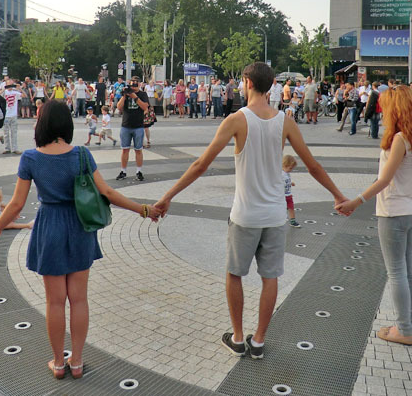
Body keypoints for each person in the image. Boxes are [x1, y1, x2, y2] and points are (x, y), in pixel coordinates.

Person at [154, 62, 346, 359]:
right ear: (270, 86)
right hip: (275, 216)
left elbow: (201, 165)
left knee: (234, 274)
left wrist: (167, 196)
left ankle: (238, 337)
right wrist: (338, 195)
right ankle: (258, 341)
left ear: (248, 83)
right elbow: (313, 165)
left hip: (244, 216)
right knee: (270, 278)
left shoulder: (236, 120)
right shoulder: (285, 121)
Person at [0, 100, 160, 379]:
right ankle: (78, 362)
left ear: (42, 124)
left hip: (49, 227)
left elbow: (16, 204)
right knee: (79, 300)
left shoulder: (31, 158)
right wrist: (143, 210)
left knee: (55, 302)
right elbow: (107, 193)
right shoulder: (81, 155)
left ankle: (59, 363)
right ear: (67, 124)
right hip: (80, 227)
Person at [335, 85, 412, 345]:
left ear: (396, 109)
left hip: (393, 211)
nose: (382, 111)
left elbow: (385, 180)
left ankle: (404, 329)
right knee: (408, 271)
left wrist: (355, 202)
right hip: (409, 210)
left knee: (397, 272)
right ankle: (408, 323)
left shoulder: (400, 138)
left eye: (386, 107)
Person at [116, 80, 149, 181]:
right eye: (131, 86)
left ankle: (138, 171)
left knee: (138, 150)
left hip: (138, 126)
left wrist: (135, 97)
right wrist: (124, 95)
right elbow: (119, 107)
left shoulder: (142, 94)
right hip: (126, 125)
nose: (133, 88)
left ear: (138, 85)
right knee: (125, 149)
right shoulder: (126, 94)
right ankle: (123, 171)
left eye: (135, 85)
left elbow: (145, 107)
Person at [2, 82, 22, 155]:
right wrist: (3, 89)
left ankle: (15, 148)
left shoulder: (15, 92)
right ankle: (7, 148)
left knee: (14, 132)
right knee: (6, 133)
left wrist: (19, 88)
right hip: (6, 115)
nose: (10, 86)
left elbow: (24, 95)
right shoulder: (4, 92)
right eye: (8, 85)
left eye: (11, 85)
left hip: (13, 114)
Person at [282, 155, 300, 228]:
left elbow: (286, 181)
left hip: (288, 194)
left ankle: (293, 220)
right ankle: (281, 218)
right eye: (290, 168)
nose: (291, 170)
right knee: (282, 208)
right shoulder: (280, 174)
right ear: (285, 165)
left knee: (291, 207)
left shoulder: (287, 173)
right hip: (282, 196)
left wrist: (290, 183)